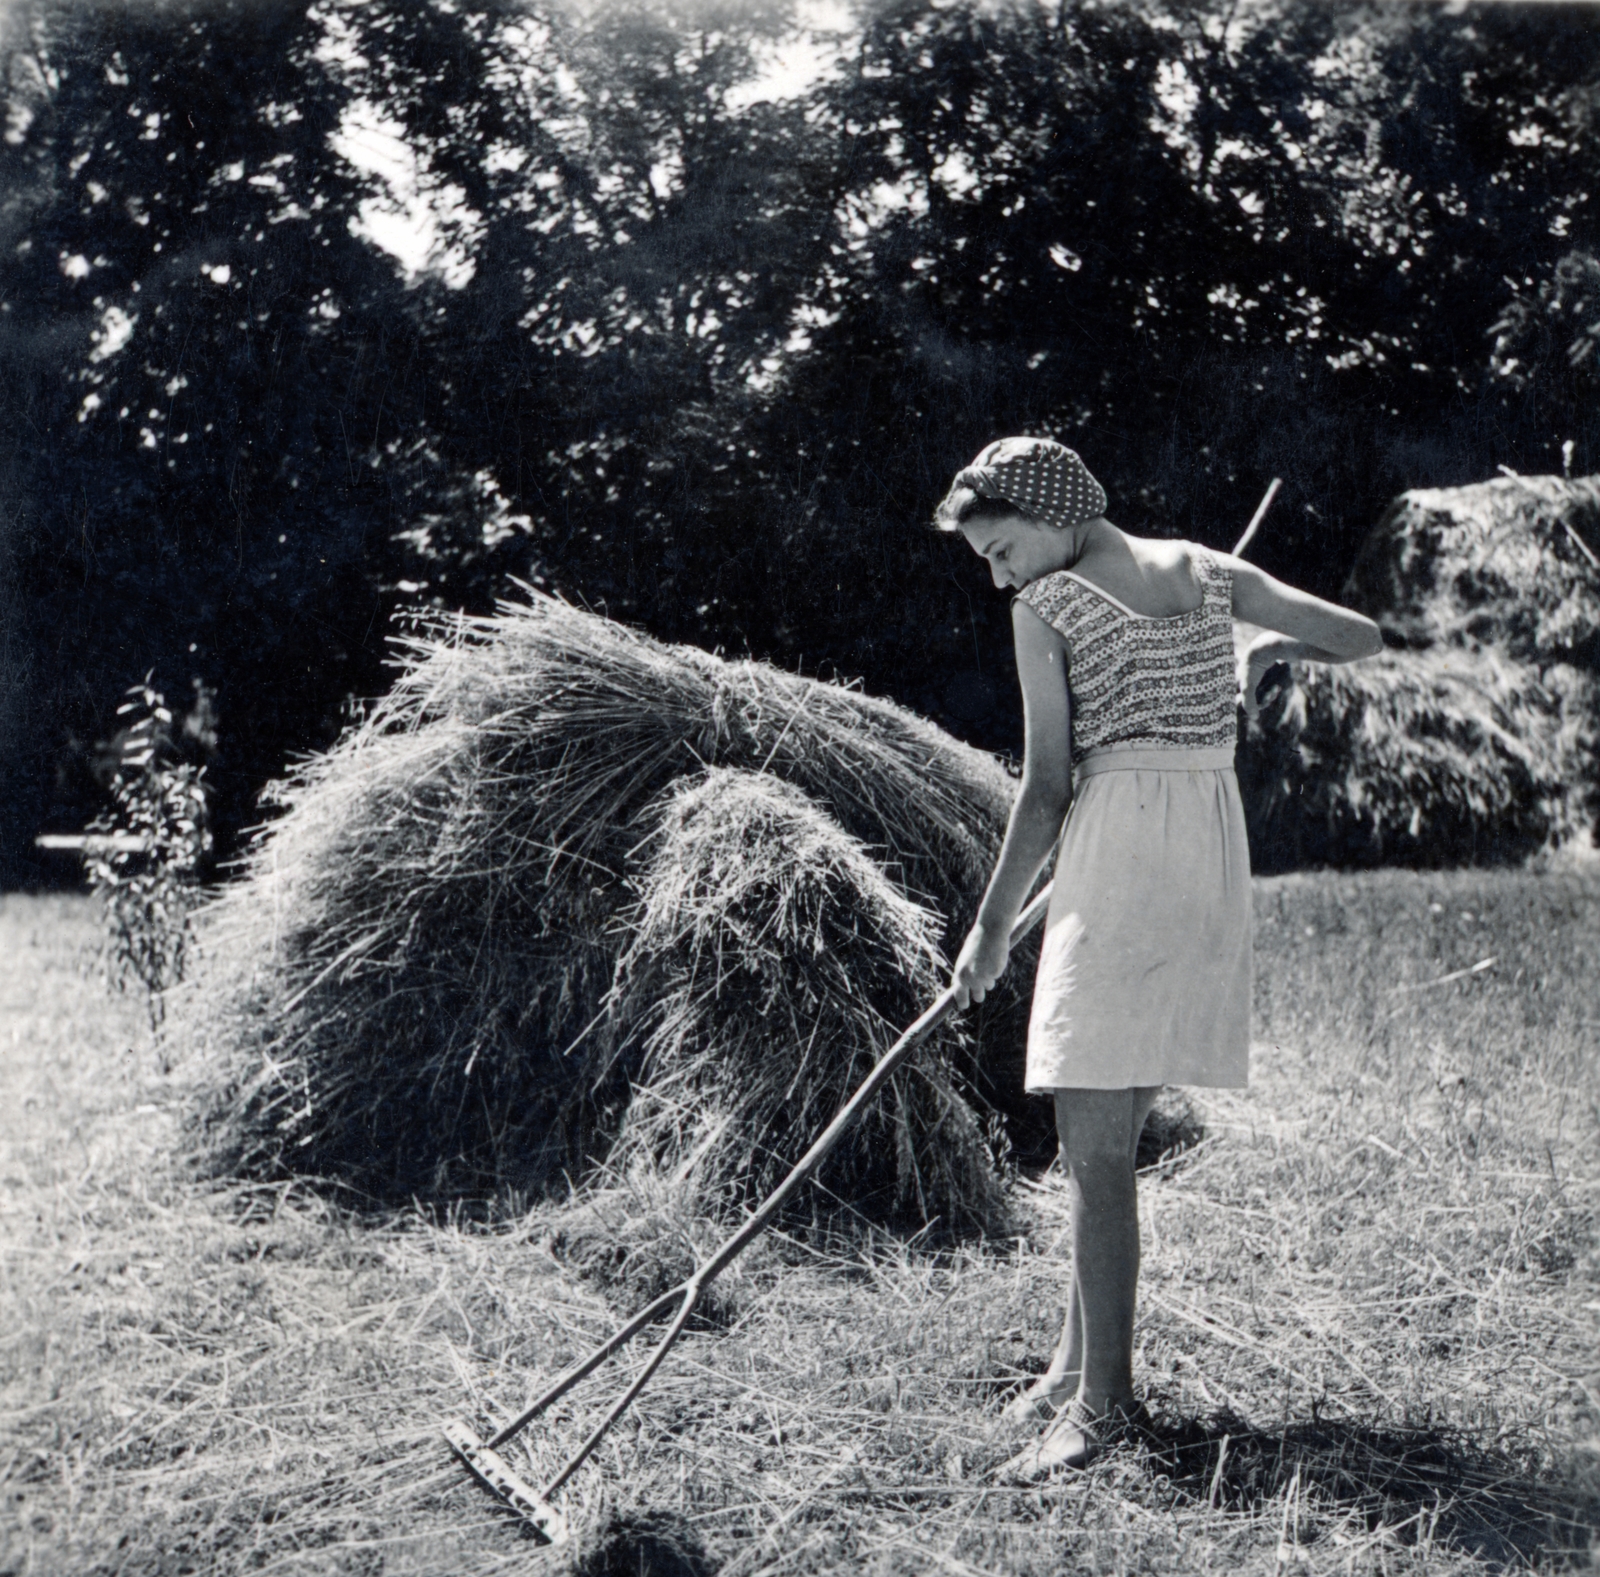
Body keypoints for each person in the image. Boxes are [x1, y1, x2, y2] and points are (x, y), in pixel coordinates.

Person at [934, 436, 1381, 1478]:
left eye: (1003, 549)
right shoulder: (1210, 575)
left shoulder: (1046, 610)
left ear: (1055, 513)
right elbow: (1357, 636)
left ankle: (1103, 1411)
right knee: (1108, 1128)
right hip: (1207, 866)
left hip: (1121, 864)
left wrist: (992, 926)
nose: (1001, 574)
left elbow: (1046, 788)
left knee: (1094, 1155)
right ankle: (1068, 1364)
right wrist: (1260, 649)